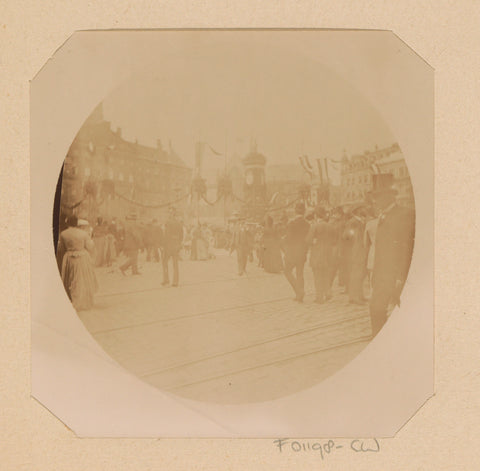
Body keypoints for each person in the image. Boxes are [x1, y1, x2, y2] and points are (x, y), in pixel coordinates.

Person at [369, 186, 415, 336]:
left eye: (378, 196)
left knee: (400, 312)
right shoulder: (383, 215)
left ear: (389, 196)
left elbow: (406, 247)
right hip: (382, 274)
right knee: (376, 309)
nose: (374, 201)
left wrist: (401, 276)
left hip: (395, 274)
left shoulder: (404, 214)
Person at [56, 214, 98, 311]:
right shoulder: (83, 233)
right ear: (76, 223)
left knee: (71, 278)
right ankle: (82, 300)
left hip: (69, 258)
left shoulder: (63, 234)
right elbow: (90, 247)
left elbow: (60, 248)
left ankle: (72, 299)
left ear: (67, 222)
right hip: (82, 257)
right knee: (81, 279)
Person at [306, 206, 337, 303]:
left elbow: (308, 240)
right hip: (328, 254)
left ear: (316, 215)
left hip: (317, 254)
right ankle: (328, 293)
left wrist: (314, 242)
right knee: (326, 274)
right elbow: (334, 240)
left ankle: (319, 297)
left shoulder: (314, 226)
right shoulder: (330, 226)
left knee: (317, 276)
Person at [282, 201, 310, 302]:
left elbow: (288, 239)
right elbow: (308, 240)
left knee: (287, 271)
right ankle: (300, 294)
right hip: (302, 253)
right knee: (300, 273)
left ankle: (299, 291)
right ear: (304, 212)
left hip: (293, 253)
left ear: (295, 211)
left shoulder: (291, 223)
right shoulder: (308, 224)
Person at [344, 205, 368, 304]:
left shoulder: (360, 221)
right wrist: (354, 245)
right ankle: (354, 297)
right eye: (362, 209)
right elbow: (346, 236)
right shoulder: (353, 222)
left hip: (360, 251)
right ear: (357, 211)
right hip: (356, 251)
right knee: (356, 274)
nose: (364, 210)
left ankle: (359, 295)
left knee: (360, 273)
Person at [163, 207, 184, 286]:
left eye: (169, 213)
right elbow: (181, 235)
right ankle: (175, 281)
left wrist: (164, 245)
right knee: (175, 264)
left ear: (171, 214)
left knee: (164, 262)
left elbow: (166, 235)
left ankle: (166, 279)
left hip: (168, 246)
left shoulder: (168, 223)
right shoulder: (179, 223)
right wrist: (178, 244)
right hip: (176, 246)